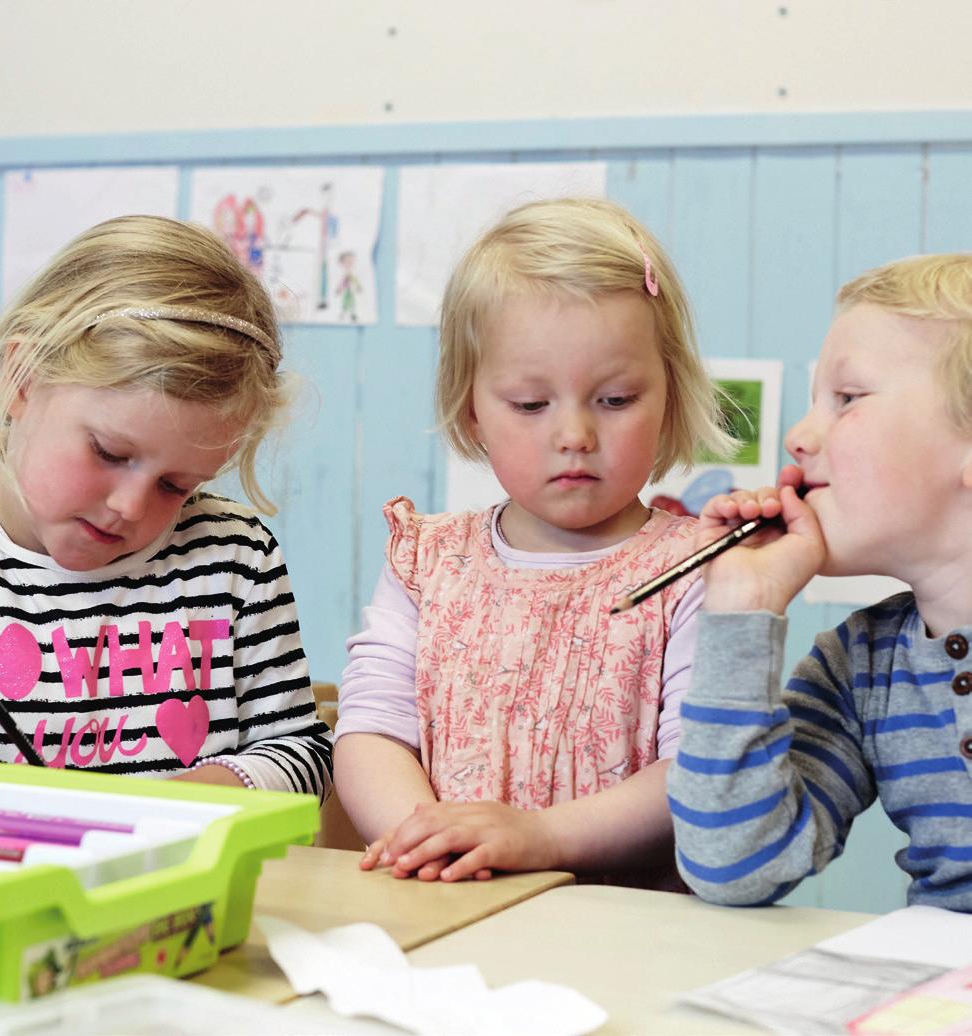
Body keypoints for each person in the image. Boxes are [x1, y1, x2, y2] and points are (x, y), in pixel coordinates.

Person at [335, 197, 735, 883]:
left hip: (626, 932)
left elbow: (693, 768)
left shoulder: (699, 568)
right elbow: (370, 731)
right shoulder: (425, 562)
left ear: (669, 395)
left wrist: (540, 838)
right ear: (472, 409)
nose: (573, 434)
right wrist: (431, 842)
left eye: (614, 400)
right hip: (447, 899)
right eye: (529, 404)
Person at [0, 215, 332, 795]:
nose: (129, 506)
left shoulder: (232, 557)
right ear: (22, 378)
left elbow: (302, 750)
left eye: (177, 486)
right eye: (109, 452)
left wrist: (213, 792)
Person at [667, 253, 972, 911]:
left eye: (847, 399)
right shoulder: (858, 666)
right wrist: (740, 608)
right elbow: (733, 869)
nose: (798, 436)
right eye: (813, 402)